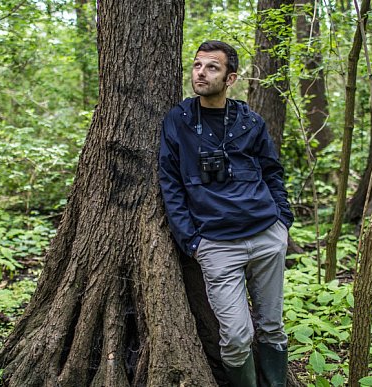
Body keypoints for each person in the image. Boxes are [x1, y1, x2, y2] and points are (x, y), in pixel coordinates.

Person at [158, 40, 293, 387]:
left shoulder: (250, 120)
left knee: (272, 327)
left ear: (230, 77)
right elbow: (169, 182)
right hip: (216, 245)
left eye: (212, 67)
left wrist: (282, 223)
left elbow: (272, 171)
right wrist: (192, 240)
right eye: (197, 65)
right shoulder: (180, 120)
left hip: (266, 236)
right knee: (235, 337)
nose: (201, 73)